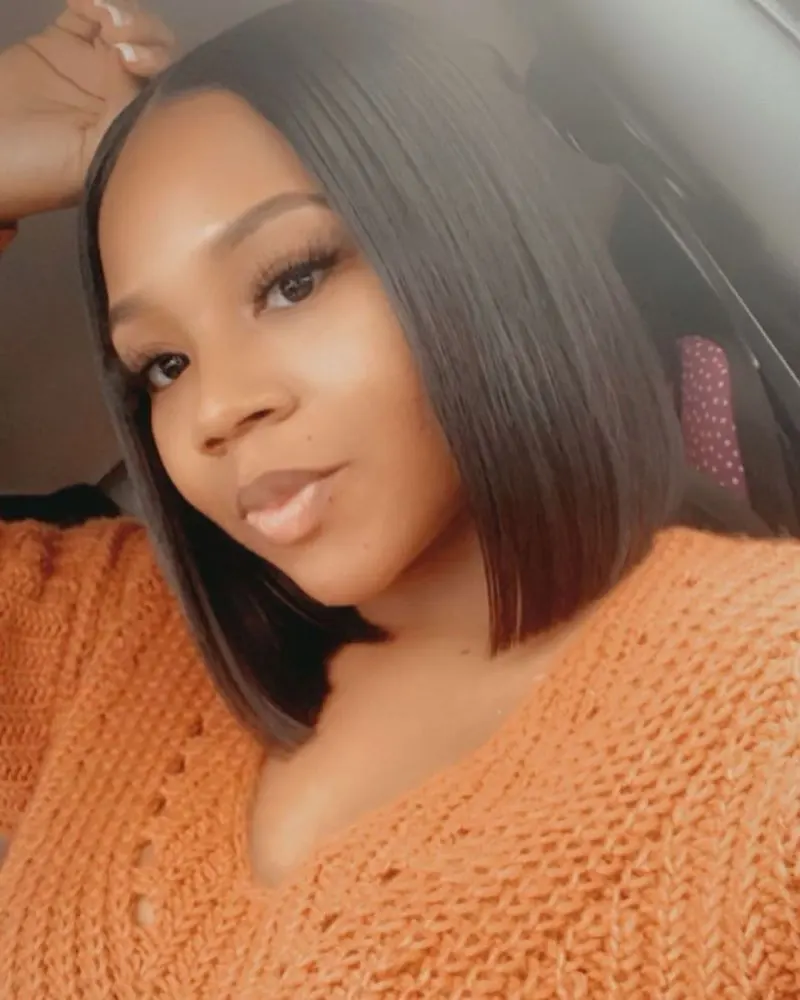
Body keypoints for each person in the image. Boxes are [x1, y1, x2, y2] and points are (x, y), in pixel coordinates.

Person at [1, 1, 798, 996]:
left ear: (483, 237)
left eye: (292, 280)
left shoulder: (769, 699)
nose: (216, 409)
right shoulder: (106, 640)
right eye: (163, 364)